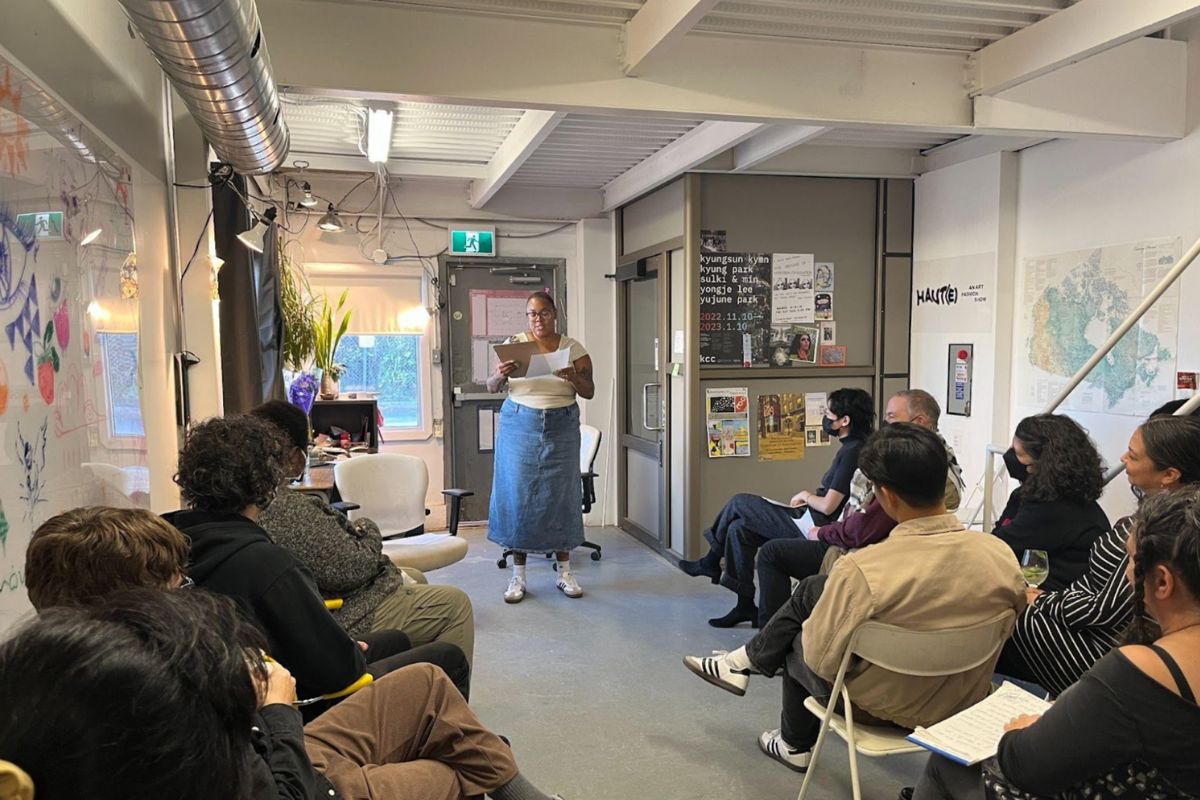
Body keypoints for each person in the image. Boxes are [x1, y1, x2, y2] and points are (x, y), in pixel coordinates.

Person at [1, 583, 562, 800]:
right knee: (454, 770)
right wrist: (275, 712)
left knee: (428, 682)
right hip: (299, 783)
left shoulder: (53, 688)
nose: (184, 579)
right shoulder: (146, 719)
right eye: (172, 574)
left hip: (277, 752)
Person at [682, 423, 1025, 772]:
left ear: (885, 496)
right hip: (963, 700)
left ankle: (792, 742)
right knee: (815, 595)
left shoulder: (863, 570)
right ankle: (745, 665)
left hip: (879, 709)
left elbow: (821, 661)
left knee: (796, 636)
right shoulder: (999, 555)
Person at [914, 487, 1200, 800]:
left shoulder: (1142, 671)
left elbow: (1025, 766)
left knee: (948, 764)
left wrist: (1016, 733)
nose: (1127, 573)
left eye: (1130, 561)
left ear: (1161, 582)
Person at [164, 414, 470, 702]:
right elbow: (338, 672)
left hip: (244, 682)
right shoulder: (269, 566)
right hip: (303, 703)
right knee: (448, 655)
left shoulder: (170, 541)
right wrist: (347, 649)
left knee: (396, 640)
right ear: (265, 484)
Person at [252, 400, 476, 666]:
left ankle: (409, 681)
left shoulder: (243, 503)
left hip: (303, 608)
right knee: (455, 604)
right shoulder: (284, 508)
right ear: (292, 456)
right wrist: (367, 529)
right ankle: (445, 701)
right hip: (333, 616)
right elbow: (350, 567)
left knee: (412, 577)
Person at [995, 414, 1200, 696]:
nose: (1123, 458)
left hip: (1106, 645)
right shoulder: (1146, 517)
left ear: (1169, 474)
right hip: (1090, 622)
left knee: (1001, 614)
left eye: (1133, 455)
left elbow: (1105, 612)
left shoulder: (1161, 530)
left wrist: (1041, 600)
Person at [754, 389, 964, 623]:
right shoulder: (939, 458)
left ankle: (768, 646)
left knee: (770, 549)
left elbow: (861, 529)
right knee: (742, 524)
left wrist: (822, 532)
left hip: (857, 553)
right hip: (858, 540)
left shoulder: (903, 467)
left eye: (892, 416)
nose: (886, 422)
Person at [679, 387, 875, 628]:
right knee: (739, 529)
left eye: (828, 414)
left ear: (845, 421)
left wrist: (806, 495)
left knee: (740, 502)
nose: (824, 418)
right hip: (810, 517)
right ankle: (744, 605)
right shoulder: (854, 445)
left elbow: (828, 506)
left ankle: (710, 561)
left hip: (815, 526)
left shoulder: (853, 451)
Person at [485, 291, 594, 603]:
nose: (537, 319)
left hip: (561, 424)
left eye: (543, 313)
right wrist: (498, 375)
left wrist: (573, 375)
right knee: (519, 495)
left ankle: (564, 572)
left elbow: (589, 391)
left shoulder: (573, 349)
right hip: (520, 423)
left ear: (554, 314)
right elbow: (492, 387)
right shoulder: (515, 346)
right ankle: (518, 576)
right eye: (532, 314)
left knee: (562, 495)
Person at [994, 414, 1109, 590]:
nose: (1011, 458)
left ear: (1041, 463)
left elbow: (998, 547)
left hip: (1053, 602)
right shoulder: (1032, 495)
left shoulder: (1055, 508)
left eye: (1018, 453)